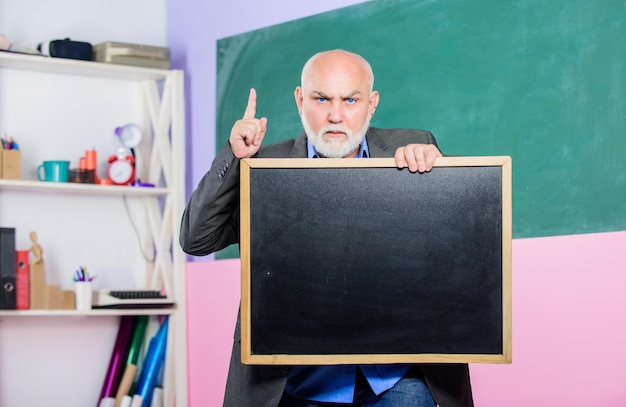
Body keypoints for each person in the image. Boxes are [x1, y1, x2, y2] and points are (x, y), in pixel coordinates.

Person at [180, 49, 474, 407]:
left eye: (351, 99)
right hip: (294, 382)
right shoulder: (263, 165)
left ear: (372, 103)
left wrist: (441, 180)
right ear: (300, 100)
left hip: (395, 380)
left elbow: (460, 246)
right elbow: (197, 238)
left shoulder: (413, 148)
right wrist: (233, 155)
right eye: (322, 99)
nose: (336, 115)